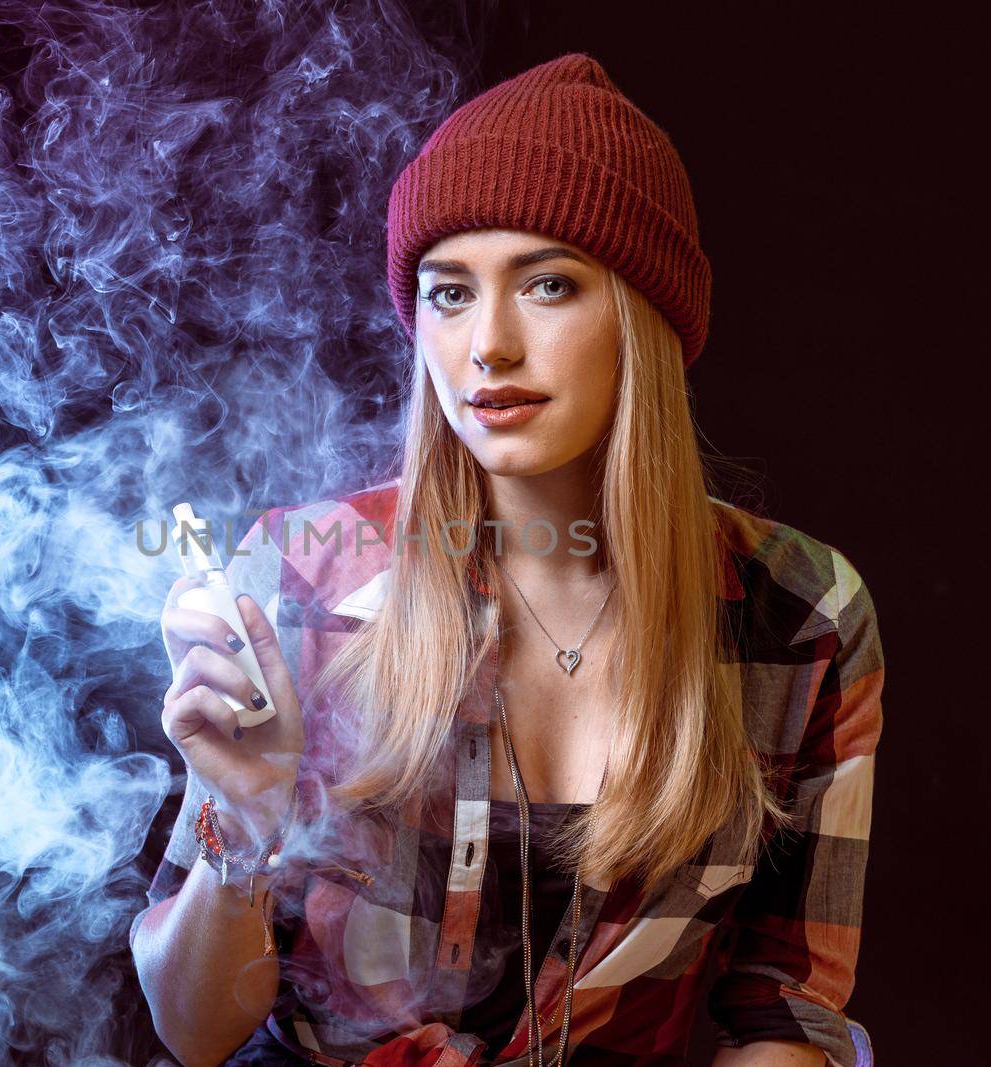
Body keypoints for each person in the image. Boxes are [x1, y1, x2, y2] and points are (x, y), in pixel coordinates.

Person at [130, 52, 884, 1067]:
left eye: (547, 284)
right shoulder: (297, 580)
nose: (488, 344)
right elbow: (193, 1029)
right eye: (448, 292)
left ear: (643, 316)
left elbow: (784, 1010)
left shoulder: (800, 612)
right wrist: (242, 816)